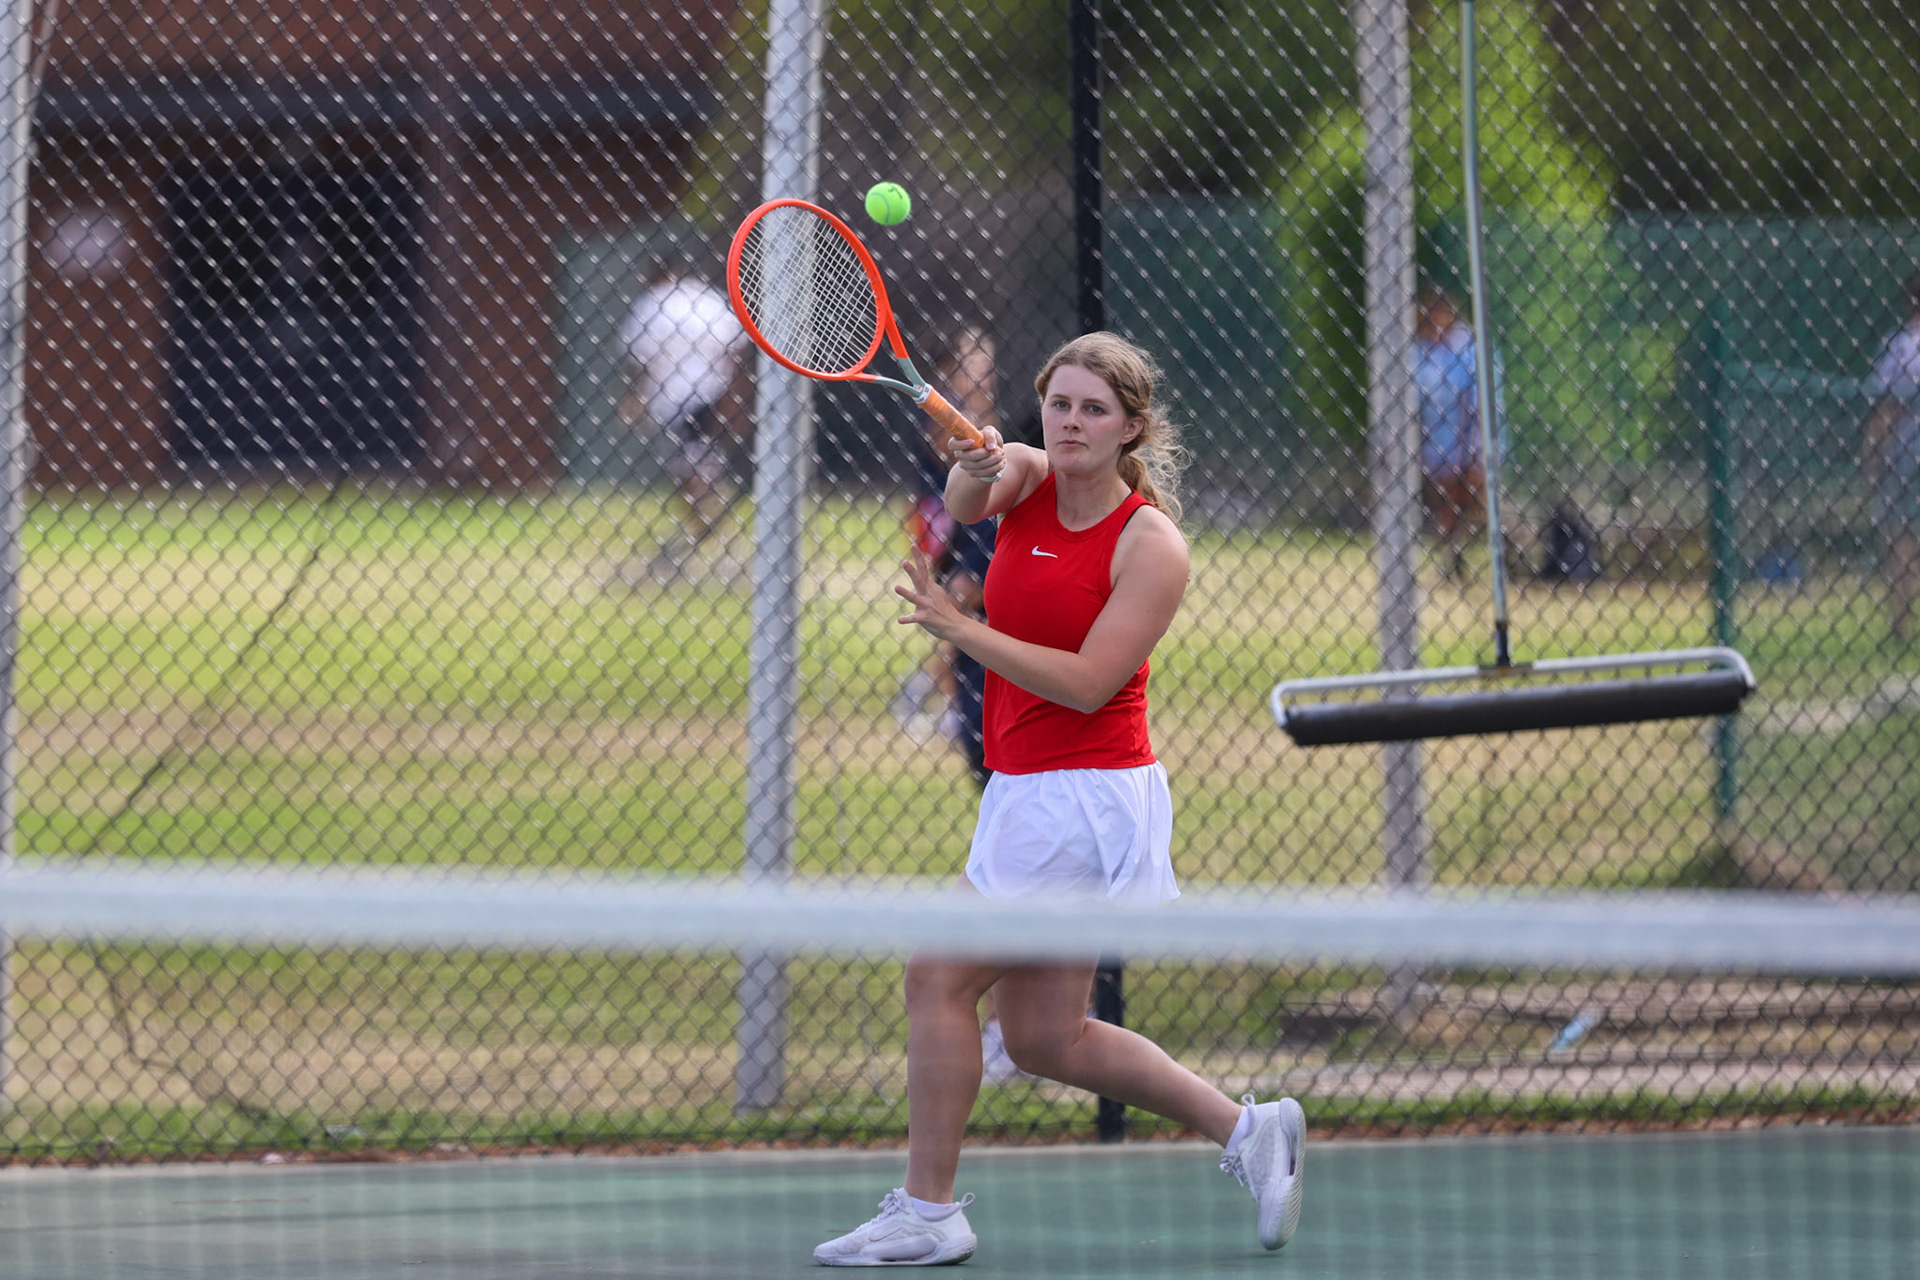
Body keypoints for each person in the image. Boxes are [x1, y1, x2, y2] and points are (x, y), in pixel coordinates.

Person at [813, 333, 1305, 1267]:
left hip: (1087, 796)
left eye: (1093, 410)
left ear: (1131, 429)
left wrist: (963, 629)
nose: (1071, 422)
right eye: (1060, 403)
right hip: (1026, 786)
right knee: (1044, 1036)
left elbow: (1086, 682)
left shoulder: (1152, 545)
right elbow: (969, 498)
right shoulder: (1029, 473)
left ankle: (928, 1211)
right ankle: (1250, 1131)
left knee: (936, 973)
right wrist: (969, 465)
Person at [618, 249, 751, 582]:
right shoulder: (708, 299)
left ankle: (706, 538)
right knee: (701, 468)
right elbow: (736, 347)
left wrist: (635, 398)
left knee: (691, 473)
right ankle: (707, 537)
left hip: (675, 399)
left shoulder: (652, 303)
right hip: (714, 394)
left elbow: (638, 360)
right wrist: (735, 398)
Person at [1414, 285, 1504, 579]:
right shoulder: (1423, 351)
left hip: (1470, 437)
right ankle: (1452, 553)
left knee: (1472, 500)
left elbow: (1477, 398)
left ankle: (1482, 553)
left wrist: (1476, 441)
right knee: (1447, 499)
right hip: (1439, 439)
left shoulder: (1467, 345)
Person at [1864, 269, 1920, 642]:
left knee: (1902, 537)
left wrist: (1871, 460)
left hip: (1909, 450)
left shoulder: (1903, 347)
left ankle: (1903, 625)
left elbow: (1885, 412)